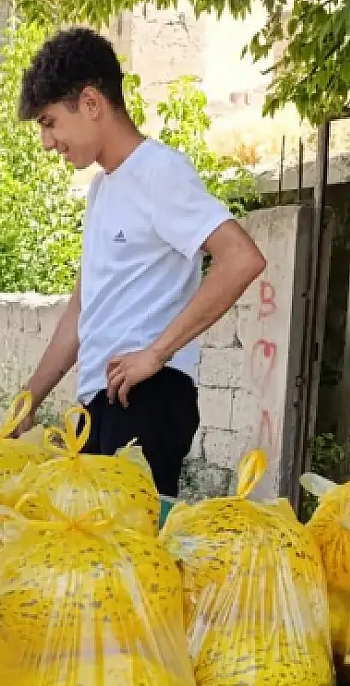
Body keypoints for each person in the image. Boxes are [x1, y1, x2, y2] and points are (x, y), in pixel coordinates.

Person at [15, 28, 266, 496]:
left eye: (50, 123)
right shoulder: (103, 189)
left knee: (125, 559)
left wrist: (156, 353)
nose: (47, 142)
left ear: (91, 103)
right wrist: (29, 400)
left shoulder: (159, 172)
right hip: (102, 404)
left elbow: (241, 258)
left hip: (145, 398)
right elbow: (83, 307)